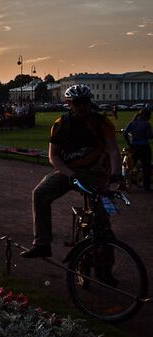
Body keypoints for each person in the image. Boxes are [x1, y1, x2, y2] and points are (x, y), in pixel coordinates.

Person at [21, 85, 123, 258]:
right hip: (70, 171)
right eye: (77, 103)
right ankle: (42, 243)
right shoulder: (61, 125)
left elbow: (113, 150)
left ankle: (105, 266)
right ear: (69, 104)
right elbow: (53, 156)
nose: (82, 106)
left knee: (102, 223)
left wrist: (115, 174)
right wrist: (71, 174)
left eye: (85, 102)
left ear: (90, 102)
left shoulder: (102, 123)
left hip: (95, 172)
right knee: (40, 193)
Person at [123, 108, 152, 192]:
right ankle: (146, 187)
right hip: (144, 147)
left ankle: (127, 185)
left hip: (134, 147)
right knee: (146, 167)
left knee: (130, 167)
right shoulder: (147, 124)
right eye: (149, 116)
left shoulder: (132, 123)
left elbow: (125, 133)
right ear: (144, 115)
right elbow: (149, 136)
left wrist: (130, 144)